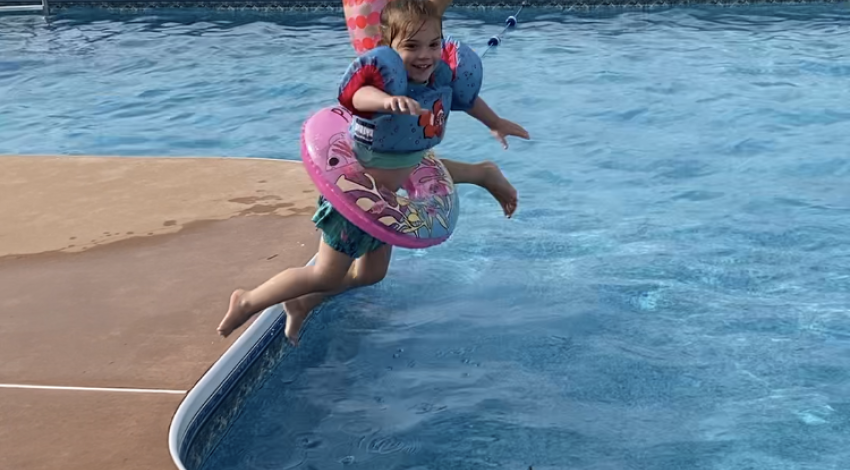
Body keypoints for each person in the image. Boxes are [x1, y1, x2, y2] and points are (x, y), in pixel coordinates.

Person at [217, 0, 529, 343]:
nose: (424, 55)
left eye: (433, 44)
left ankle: (303, 303)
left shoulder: (438, 78)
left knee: (371, 275)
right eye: (411, 46)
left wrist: (495, 123)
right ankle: (247, 300)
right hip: (353, 199)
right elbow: (359, 96)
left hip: (386, 200)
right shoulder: (384, 85)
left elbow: (467, 101)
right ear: (390, 49)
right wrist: (385, 102)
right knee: (325, 274)